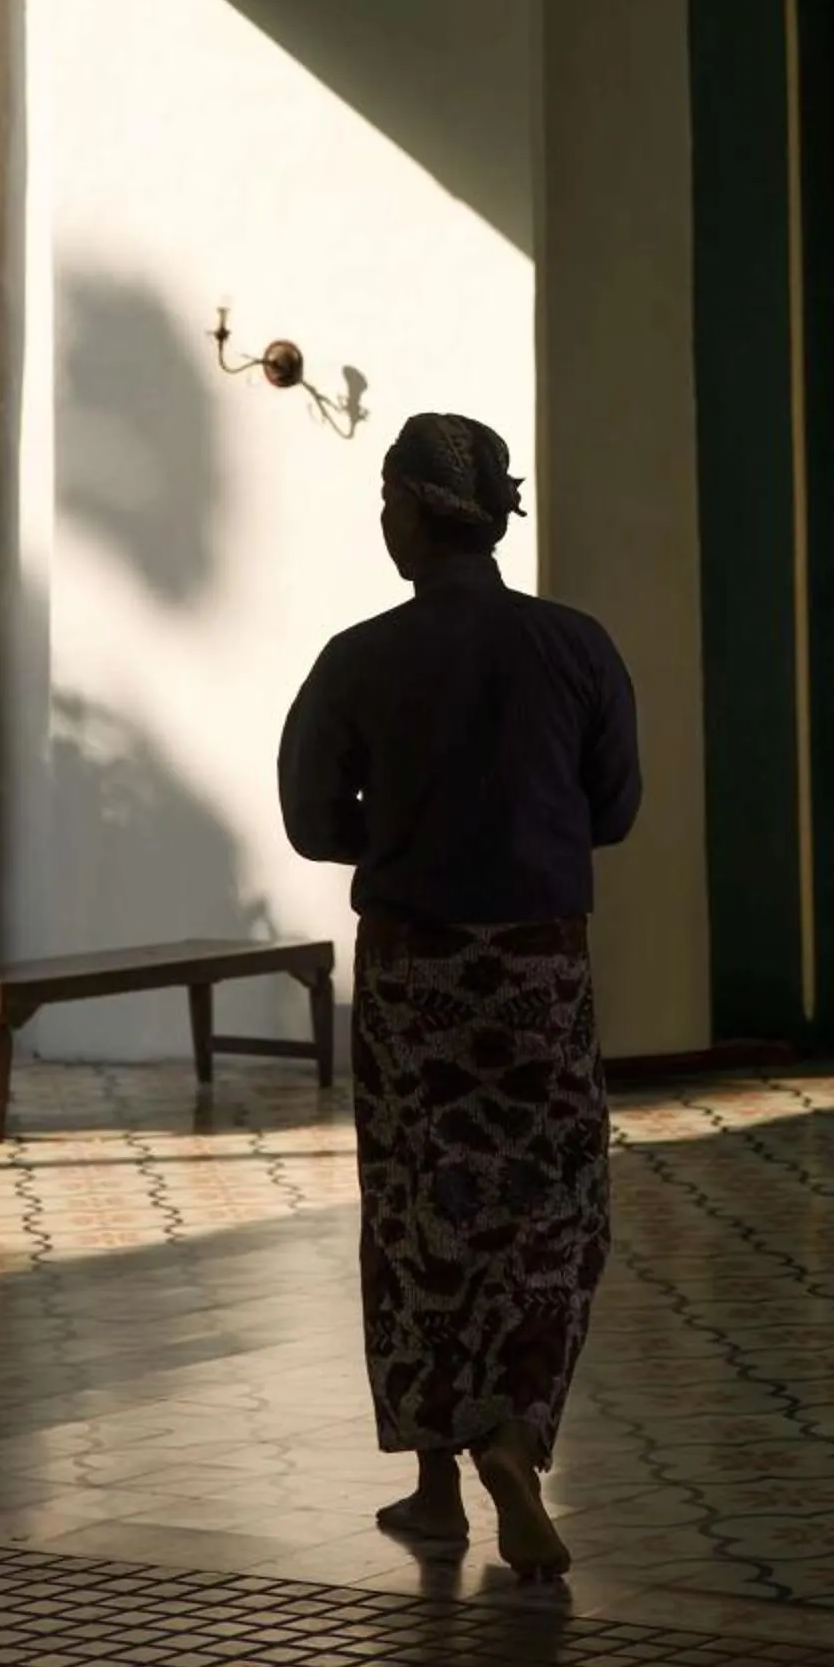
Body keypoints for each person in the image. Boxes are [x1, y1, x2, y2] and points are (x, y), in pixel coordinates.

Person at [278, 411, 641, 1578]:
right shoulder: (576, 648)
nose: (383, 525)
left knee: (415, 1213)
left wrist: (411, 823)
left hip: (410, 978)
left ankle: (434, 1487)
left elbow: (309, 823)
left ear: (414, 513)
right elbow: (615, 810)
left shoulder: (356, 659)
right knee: (550, 1210)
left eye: (387, 504)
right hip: (538, 971)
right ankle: (512, 1436)